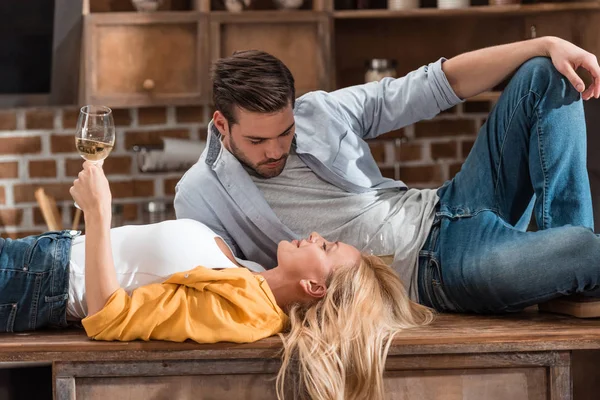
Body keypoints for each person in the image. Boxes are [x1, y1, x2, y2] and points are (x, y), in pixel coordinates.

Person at [174, 37, 600, 315]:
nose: (275, 149)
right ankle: (569, 269)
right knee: (582, 249)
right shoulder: (199, 195)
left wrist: (543, 43)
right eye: (257, 141)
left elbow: (431, 85)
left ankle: (567, 288)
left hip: (449, 203)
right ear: (222, 124)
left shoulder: (319, 111)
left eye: (285, 133)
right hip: (431, 271)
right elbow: (233, 290)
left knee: (544, 72)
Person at [0, 161, 433, 400]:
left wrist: (98, 210)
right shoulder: (253, 279)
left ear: (315, 289)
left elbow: (107, 317)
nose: (316, 236)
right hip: (36, 262)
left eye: (326, 249)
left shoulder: (246, 313)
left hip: (34, 281)